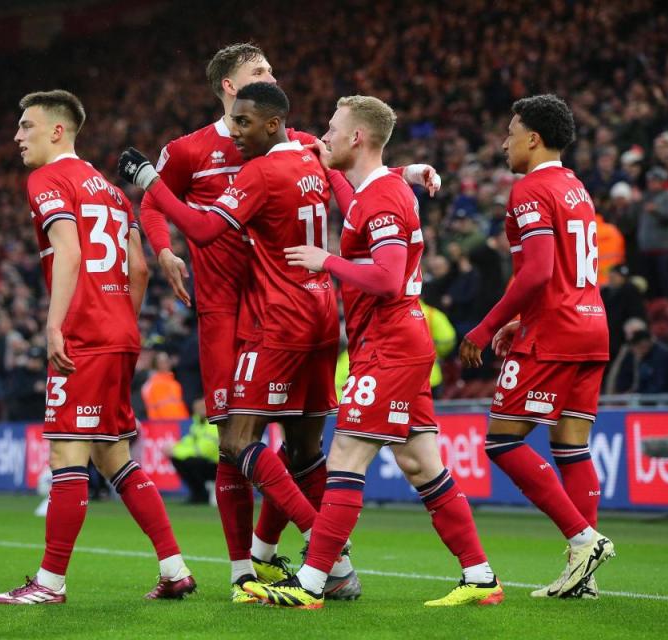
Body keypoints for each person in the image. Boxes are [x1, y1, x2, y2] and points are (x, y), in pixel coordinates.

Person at [138, 43, 436, 601]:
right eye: (259, 72)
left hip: (275, 310)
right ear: (230, 88)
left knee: (244, 443)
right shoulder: (189, 150)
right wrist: (162, 250)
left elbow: (353, 177)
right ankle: (248, 567)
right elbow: (155, 207)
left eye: (270, 71)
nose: (271, 76)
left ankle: (313, 560)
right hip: (236, 311)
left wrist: (399, 172)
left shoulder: (288, 146)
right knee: (281, 448)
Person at [245, 96, 501, 609]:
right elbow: (341, 172)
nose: (327, 136)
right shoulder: (374, 189)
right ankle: (480, 576)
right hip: (392, 342)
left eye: (335, 129)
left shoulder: (384, 198)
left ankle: (312, 584)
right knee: (421, 463)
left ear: (358, 137)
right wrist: (404, 168)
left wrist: (327, 261)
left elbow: (386, 278)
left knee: (345, 456)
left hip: (390, 345)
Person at [119, 82, 360, 603]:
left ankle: (326, 553)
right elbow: (357, 171)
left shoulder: (263, 168)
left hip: (276, 319)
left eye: (246, 123)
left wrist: (148, 182)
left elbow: (204, 229)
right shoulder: (309, 158)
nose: (236, 131)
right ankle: (307, 567)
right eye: (234, 120)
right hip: (323, 313)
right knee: (303, 449)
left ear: (271, 122)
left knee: (234, 442)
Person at [0, 90, 195, 605]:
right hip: (120, 335)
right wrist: (122, 321)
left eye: (26, 126)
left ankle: (49, 583)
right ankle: (174, 569)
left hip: (84, 336)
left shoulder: (46, 179)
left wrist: (56, 325)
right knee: (113, 456)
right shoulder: (111, 190)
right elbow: (139, 269)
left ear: (58, 131)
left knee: (65, 452)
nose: (18, 136)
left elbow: (68, 250)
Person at [459, 95, 615, 600]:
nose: (504, 142)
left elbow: (539, 271)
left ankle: (582, 539)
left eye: (510, 132)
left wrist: (486, 327)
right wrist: (520, 319)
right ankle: (581, 577)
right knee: (572, 446)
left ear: (532, 138)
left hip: (555, 333)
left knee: (502, 441)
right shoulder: (576, 188)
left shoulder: (530, 188)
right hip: (591, 325)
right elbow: (561, 272)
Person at [636, 166, 668, 298]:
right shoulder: (646, 196)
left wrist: (657, 210)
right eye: (649, 181)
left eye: (654, 181)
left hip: (664, 249)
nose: (651, 183)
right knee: (651, 285)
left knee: (665, 282)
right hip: (647, 249)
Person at [166, 398, 220, 504]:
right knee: (178, 459)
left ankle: (202, 494)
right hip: (207, 464)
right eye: (197, 408)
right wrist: (173, 449)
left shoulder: (214, 424)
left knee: (191, 461)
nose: (199, 410)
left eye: (202, 408)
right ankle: (198, 493)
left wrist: (176, 451)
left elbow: (203, 450)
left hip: (217, 465)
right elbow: (187, 442)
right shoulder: (198, 424)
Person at [141, 350, 190, 420]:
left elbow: (180, 405)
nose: (166, 364)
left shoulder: (175, 384)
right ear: (155, 365)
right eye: (162, 362)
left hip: (181, 423)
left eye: (167, 361)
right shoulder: (151, 385)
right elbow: (151, 408)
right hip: (162, 425)